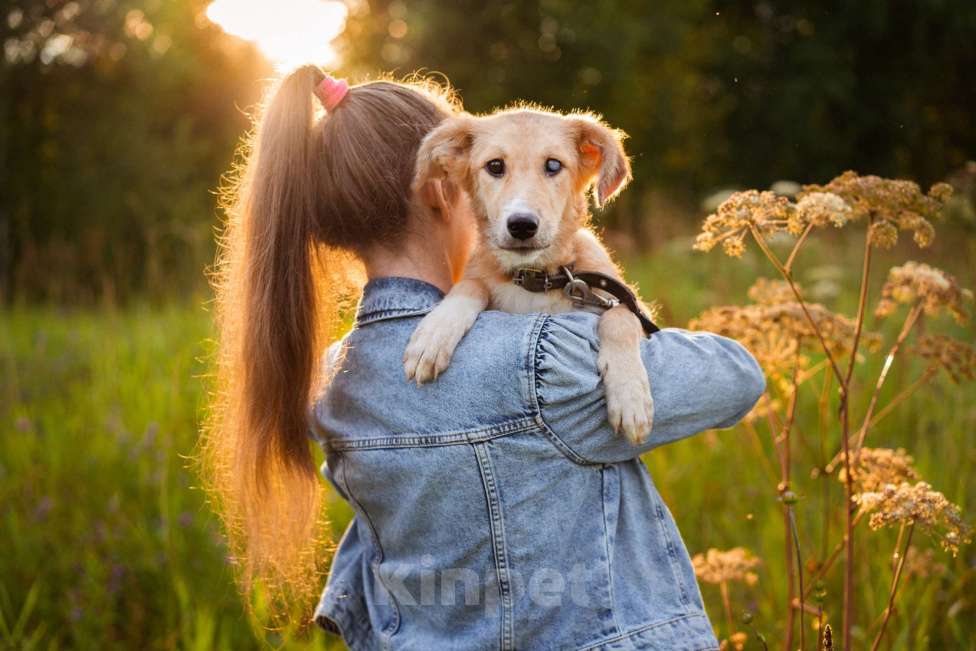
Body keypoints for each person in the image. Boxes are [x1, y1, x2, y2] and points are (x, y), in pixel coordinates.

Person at [204, 65, 765, 650]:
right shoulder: (551, 365)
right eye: (493, 170)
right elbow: (737, 375)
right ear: (446, 186)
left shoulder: (327, 386)